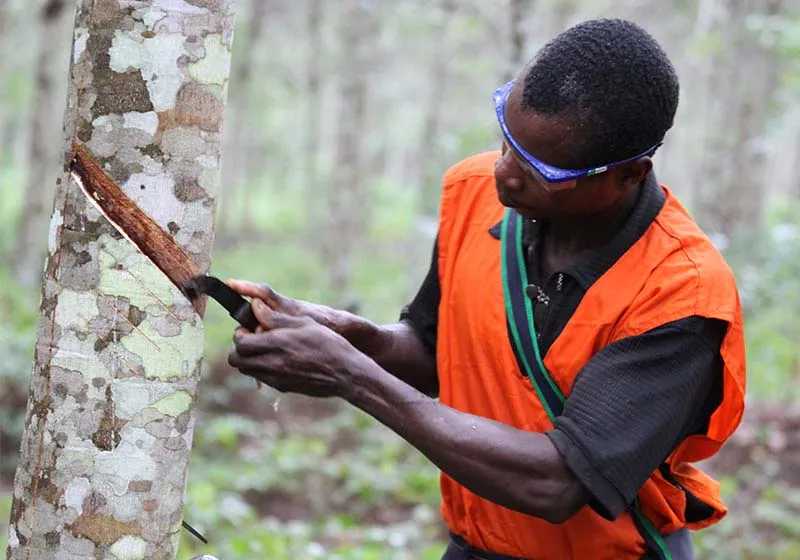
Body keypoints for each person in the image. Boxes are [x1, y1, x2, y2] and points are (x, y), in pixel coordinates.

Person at [226, 18, 746, 560]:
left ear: (629, 175)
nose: (503, 173)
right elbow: (435, 351)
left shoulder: (682, 295)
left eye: (541, 169)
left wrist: (349, 374)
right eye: (507, 140)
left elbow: (558, 482)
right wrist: (342, 334)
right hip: (475, 546)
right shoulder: (474, 193)